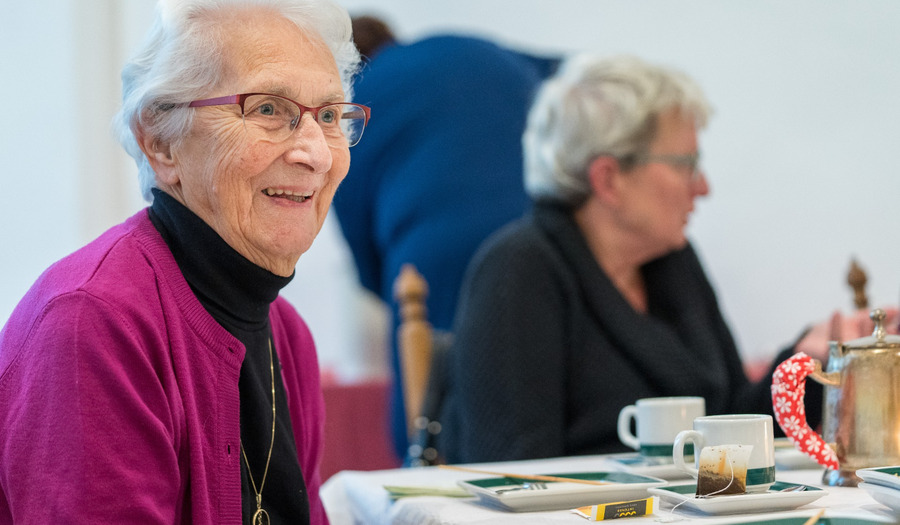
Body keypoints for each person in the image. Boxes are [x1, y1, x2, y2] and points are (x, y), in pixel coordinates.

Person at [0, 0, 369, 522]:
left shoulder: (288, 335)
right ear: (161, 143)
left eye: (329, 116)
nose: (317, 153)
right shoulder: (94, 323)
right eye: (268, 109)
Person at [437, 54, 885, 464]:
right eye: (685, 163)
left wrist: (804, 361)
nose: (703, 187)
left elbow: (729, 429)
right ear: (609, 179)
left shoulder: (673, 260)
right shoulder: (518, 271)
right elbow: (511, 471)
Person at [332, 15, 559, 458]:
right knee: (537, 373)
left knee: (427, 412)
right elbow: (560, 69)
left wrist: (382, 283)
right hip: (534, 232)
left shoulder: (358, 95)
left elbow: (352, 214)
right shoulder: (466, 46)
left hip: (429, 255)